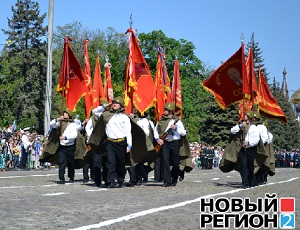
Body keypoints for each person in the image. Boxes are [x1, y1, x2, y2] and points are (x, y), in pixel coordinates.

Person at [90, 96, 132, 188]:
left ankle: (120, 179)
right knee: (110, 162)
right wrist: (105, 106)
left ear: (120, 105)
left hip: (121, 142)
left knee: (120, 163)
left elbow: (128, 131)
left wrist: (129, 145)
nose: (114, 105)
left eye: (116, 103)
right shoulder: (106, 114)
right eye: (113, 103)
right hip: (109, 142)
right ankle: (110, 181)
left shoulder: (124, 117)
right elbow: (94, 112)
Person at [154, 102, 187, 187]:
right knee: (165, 161)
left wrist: (175, 129)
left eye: (166, 110)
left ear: (171, 111)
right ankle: (166, 181)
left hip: (174, 142)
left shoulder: (177, 121)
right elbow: (156, 131)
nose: (164, 111)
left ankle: (174, 178)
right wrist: (158, 139)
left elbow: (183, 133)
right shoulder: (161, 120)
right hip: (165, 143)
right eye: (164, 109)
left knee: (175, 162)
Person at [230, 111, 260, 189]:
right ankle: (245, 182)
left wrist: (249, 142)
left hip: (250, 149)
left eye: (246, 118)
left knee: (250, 166)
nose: (244, 120)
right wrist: (240, 126)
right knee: (243, 166)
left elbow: (256, 139)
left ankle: (251, 181)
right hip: (242, 149)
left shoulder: (254, 128)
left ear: (249, 119)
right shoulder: (241, 126)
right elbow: (232, 131)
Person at [49, 110, 78, 184]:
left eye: (66, 113)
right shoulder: (60, 123)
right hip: (62, 146)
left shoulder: (72, 124)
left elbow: (74, 135)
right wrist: (58, 119)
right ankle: (61, 178)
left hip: (70, 146)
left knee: (70, 163)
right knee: (62, 163)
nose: (64, 114)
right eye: (64, 113)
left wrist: (65, 137)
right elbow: (51, 124)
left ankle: (71, 177)